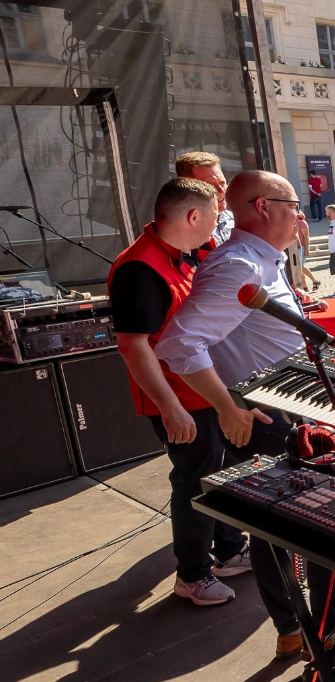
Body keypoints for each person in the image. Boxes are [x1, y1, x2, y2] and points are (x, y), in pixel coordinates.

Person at [155, 171, 335, 659]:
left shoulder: (258, 260)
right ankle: (326, 636)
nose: (302, 214)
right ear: (264, 207)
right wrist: (227, 404)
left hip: (284, 411)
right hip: (274, 421)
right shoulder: (240, 265)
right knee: (317, 528)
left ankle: (295, 630)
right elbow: (179, 343)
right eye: (293, 203)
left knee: (274, 534)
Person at [110, 178, 255, 607]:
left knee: (219, 472)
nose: (219, 222)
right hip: (179, 399)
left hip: (199, 391)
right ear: (193, 216)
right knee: (196, 482)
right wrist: (170, 408)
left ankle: (228, 550)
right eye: (214, 214)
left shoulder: (178, 256)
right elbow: (133, 346)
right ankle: (192, 575)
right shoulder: (141, 266)